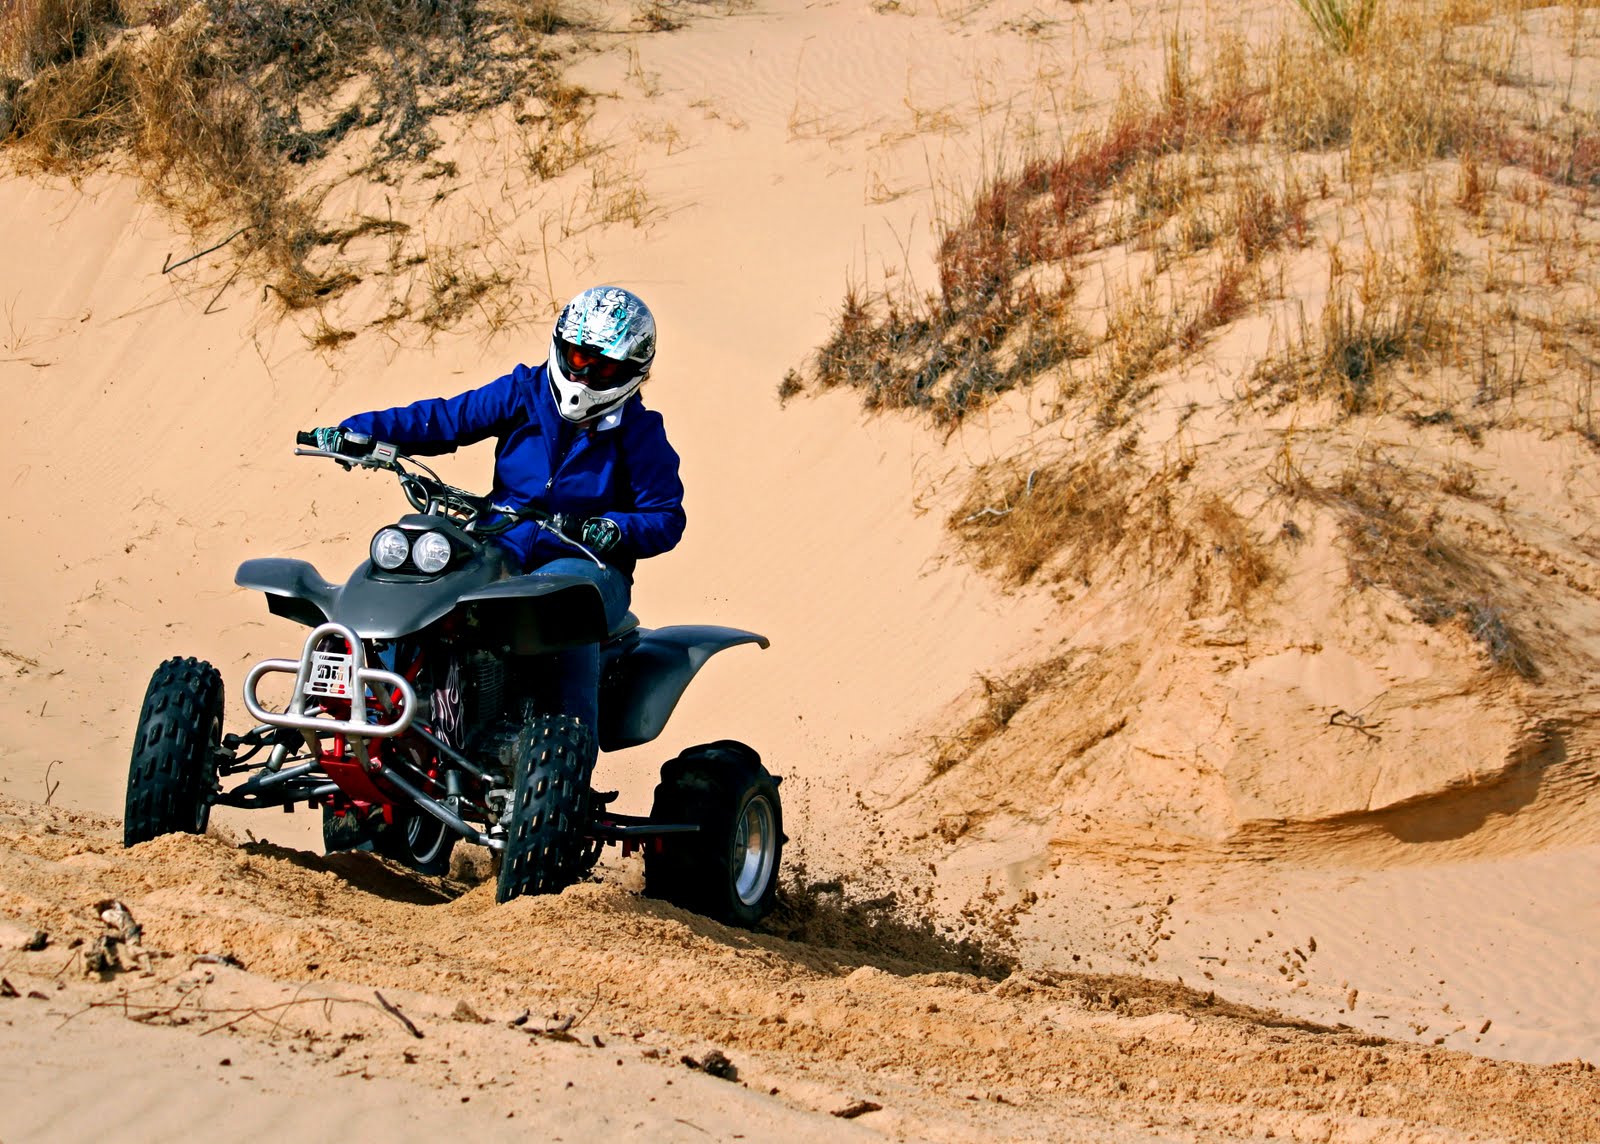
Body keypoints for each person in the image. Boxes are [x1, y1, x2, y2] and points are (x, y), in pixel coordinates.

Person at [308, 285, 685, 747]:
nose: (584, 376)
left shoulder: (640, 433)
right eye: (577, 357)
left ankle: (568, 756)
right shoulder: (524, 392)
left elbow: (665, 516)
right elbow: (445, 419)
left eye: (602, 366)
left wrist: (611, 529)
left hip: (585, 562)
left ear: (630, 372)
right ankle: (376, 706)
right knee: (419, 572)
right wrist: (358, 432)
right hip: (500, 541)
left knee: (566, 608)